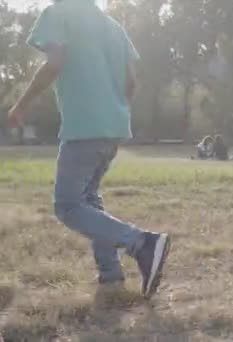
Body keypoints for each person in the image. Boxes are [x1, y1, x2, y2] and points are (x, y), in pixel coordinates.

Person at [7, 0, 171, 298]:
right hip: (114, 126)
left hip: (84, 126)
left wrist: (21, 104)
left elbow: (54, 63)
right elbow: (131, 82)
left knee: (67, 205)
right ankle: (110, 274)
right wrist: (115, 111)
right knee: (89, 200)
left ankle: (142, 242)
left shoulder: (58, 13)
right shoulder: (113, 27)